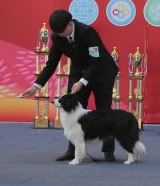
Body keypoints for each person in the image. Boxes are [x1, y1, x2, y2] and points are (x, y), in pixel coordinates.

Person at [20, 9, 119, 162]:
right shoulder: (57, 37)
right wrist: (36, 86)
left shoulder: (88, 32)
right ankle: (73, 150)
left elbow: (95, 61)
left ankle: (108, 150)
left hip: (101, 72)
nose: (61, 35)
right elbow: (51, 64)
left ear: (70, 24)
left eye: (63, 31)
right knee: (73, 110)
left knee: (104, 111)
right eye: (58, 33)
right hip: (78, 72)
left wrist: (82, 81)